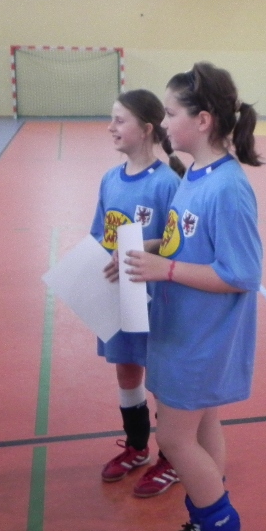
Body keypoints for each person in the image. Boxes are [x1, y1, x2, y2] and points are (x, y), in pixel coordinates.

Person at [122, 62, 262, 531]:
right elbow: (187, 240)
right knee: (202, 428)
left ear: (202, 120)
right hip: (182, 327)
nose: (163, 123)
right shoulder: (195, 176)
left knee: (175, 439)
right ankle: (205, 522)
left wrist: (165, 269)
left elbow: (241, 273)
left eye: (171, 113)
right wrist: (148, 248)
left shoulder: (228, 187)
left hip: (204, 336)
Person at [93, 90, 183, 497]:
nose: (111, 127)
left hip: (156, 302)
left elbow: (179, 245)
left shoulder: (167, 183)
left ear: (146, 129)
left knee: (160, 379)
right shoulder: (110, 179)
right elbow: (100, 235)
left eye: (119, 120)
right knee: (126, 370)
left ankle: (173, 456)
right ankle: (136, 445)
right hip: (119, 297)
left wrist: (147, 250)